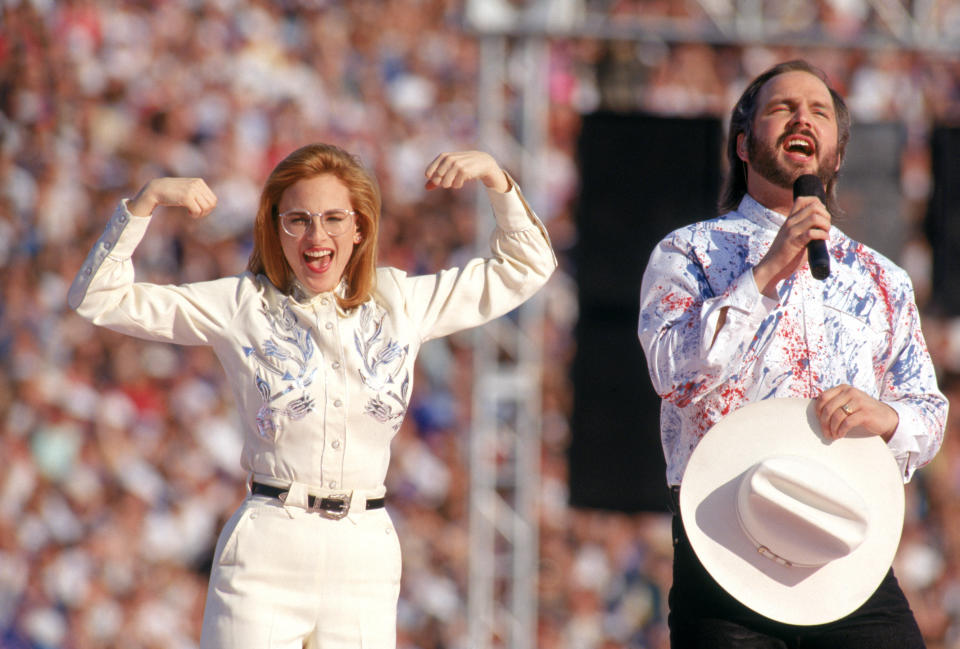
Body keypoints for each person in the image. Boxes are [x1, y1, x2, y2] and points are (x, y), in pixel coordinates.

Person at [68, 144, 556, 648]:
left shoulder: (401, 302)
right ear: (275, 231)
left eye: (333, 219)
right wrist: (144, 203)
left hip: (364, 556)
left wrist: (497, 179)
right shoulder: (243, 306)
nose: (316, 236)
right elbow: (97, 297)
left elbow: (528, 265)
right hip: (266, 550)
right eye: (297, 220)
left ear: (360, 228)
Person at [637, 59, 947, 648]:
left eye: (820, 111)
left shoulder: (882, 279)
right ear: (744, 146)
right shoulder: (689, 252)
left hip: (843, 549)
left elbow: (928, 411)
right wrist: (763, 275)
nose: (802, 116)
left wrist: (889, 418)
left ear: (836, 153)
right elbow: (669, 369)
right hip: (727, 541)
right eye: (782, 107)